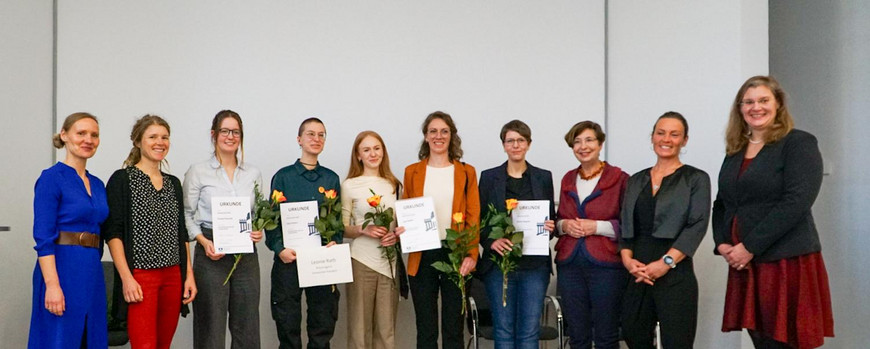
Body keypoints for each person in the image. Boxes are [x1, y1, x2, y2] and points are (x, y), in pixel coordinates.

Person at [714, 76, 834, 348]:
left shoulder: (799, 143)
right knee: (760, 340)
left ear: (778, 104)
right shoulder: (735, 150)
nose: (756, 107)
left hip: (785, 260)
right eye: (749, 102)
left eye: (764, 100)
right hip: (746, 262)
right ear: (740, 108)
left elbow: (797, 201)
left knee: (785, 342)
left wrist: (750, 246)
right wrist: (722, 242)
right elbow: (722, 202)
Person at [103, 115, 197, 349]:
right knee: (144, 345)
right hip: (140, 277)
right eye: (152, 137)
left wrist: (189, 275)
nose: (160, 142)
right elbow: (113, 233)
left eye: (164, 137)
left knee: (163, 345)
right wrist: (126, 278)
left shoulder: (173, 183)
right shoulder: (122, 180)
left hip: (173, 276)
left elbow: (181, 233)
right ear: (137, 141)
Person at [619, 112, 710, 349]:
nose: (666, 139)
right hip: (638, 270)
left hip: (675, 271)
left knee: (677, 342)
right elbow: (626, 225)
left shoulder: (696, 178)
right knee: (632, 332)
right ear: (652, 137)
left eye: (674, 134)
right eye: (661, 133)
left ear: (685, 140)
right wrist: (628, 260)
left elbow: (697, 225)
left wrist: (665, 262)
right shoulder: (636, 180)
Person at [183, 110, 264, 348]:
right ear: (214, 134)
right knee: (210, 325)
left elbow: (258, 213)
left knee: (247, 324)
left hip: (245, 253)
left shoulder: (253, 173)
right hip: (210, 249)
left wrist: (258, 230)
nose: (231, 136)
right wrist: (202, 240)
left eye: (236, 131)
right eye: (225, 131)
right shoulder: (198, 171)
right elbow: (186, 215)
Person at [28, 113, 109, 348]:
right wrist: (52, 284)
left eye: (94, 135)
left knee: (89, 337)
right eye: (81, 133)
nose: (88, 139)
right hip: (61, 269)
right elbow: (43, 237)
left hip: (91, 270)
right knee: (59, 339)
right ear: (64, 135)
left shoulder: (97, 184)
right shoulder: (51, 178)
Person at [401, 111, 480, 349]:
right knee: (425, 327)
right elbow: (405, 209)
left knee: (453, 326)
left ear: (451, 136)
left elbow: (473, 217)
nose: (438, 136)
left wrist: (471, 254)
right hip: (422, 253)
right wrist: (402, 228)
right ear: (425, 136)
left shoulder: (466, 172)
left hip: (456, 253)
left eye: (444, 131)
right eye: (433, 131)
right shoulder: (412, 171)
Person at [477, 120, 556, 349]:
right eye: (510, 140)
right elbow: (479, 221)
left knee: (529, 332)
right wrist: (491, 241)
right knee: (503, 330)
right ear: (503, 145)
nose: (515, 145)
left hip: (535, 266)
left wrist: (550, 227)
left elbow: (550, 218)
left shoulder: (543, 177)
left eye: (520, 140)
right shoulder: (489, 177)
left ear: (528, 144)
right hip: (499, 266)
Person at [265, 117, 343, 349]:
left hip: (320, 261)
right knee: (287, 324)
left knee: (322, 325)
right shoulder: (283, 176)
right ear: (299, 139)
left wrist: (334, 243)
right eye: (311, 134)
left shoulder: (331, 178)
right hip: (289, 260)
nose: (316, 139)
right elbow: (272, 220)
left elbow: (336, 221)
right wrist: (279, 249)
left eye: (321, 135)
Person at [554, 121, 628, 349]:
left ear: (600, 143)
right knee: (577, 335)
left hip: (606, 265)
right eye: (577, 142)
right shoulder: (568, 178)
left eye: (589, 140)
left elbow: (628, 225)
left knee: (606, 335)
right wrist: (564, 226)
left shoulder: (620, 178)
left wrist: (595, 227)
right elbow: (557, 220)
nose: (583, 146)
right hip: (570, 264)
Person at [341, 130, 407, 349]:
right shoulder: (350, 185)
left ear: (383, 152)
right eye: (366, 149)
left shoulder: (394, 185)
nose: (373, 154)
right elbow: (341, 228)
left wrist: (396, 236)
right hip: (361, 262)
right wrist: (363, 229)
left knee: (386, 332)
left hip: (389, 264)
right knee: (359, 331)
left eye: (377, 148)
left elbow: (401, 225)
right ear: (358, 155)